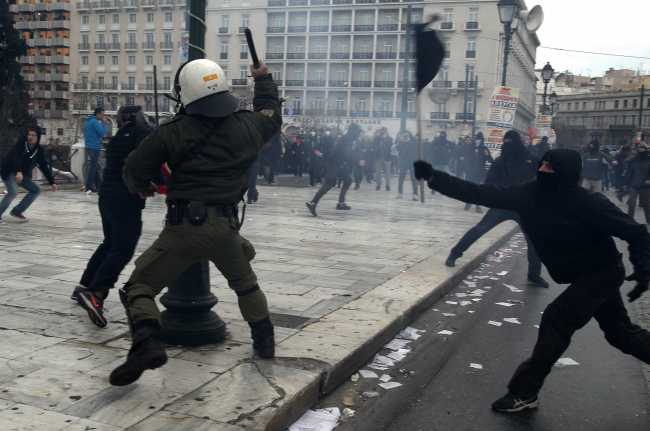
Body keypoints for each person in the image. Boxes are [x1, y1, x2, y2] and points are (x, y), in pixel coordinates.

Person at [414, 147, 650, 413]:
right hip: (583, 273)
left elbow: (637, 232)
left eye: (550, 167)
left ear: (567, 173)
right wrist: (434, 177)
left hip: (602, 272)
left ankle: (523, 393)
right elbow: (478, 193)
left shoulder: (589, 203)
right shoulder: (527, 195)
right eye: (542, 165)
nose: (542, 170)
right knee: (620, 334)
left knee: (556, 321)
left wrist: (643, 270)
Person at [108, 60, 281, 387]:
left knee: (138, 288)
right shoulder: (248, 125)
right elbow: (271, 114)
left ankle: (147, 343)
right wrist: (264, 79)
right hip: (226, 228)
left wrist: (142, 187)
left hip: (184, 230)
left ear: (185, 92)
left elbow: (134, 168)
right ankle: (265, 340)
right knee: (245, 284)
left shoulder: (172, 131)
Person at [71, 106, 152, 327]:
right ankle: (96, 292)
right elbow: (144, 163)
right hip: (125, 200)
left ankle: (84, 286)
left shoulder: (118, 138)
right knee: (123, 248)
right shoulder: (139, 135)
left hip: (107, 197)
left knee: (110, 244)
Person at [444, 131, 547, 288]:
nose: (508, 146)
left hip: (523, 206)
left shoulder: (531, 159)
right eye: (506, 142)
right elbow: (489, 182)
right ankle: (454, 254)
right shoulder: (500, 161)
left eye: (510, 142)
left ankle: (534, 275)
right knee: (479, 229)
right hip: (502, 203)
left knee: (533, 241)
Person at [0, 126, 58, 223]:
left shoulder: (39, 150)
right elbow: (16, 158)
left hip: (22, 174)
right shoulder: (21, 144)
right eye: (29, 135)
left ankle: (17, 211)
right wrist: (18, 171)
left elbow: (43, 166)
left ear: (38, 137)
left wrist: (52, 182)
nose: (30, 137)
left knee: (36, 190)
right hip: (8, 171)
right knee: (13, 192)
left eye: (33, 135)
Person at [305, 123, 362, 216]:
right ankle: (313, 203)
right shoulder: (346, 139)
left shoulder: (349, 139)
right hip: (334, 163)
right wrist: (356, 160)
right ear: (354, 131)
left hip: (339, 164)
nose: (359, 134)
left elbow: (347, 154)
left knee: (348, 180)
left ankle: (341, 203)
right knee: (330, 183)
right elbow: (345, 154)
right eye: (358, 132)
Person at [622, 143, 650, 223]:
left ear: (646, 149)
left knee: (647, 205)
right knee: (631, 204)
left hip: (645, 186)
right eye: (639, 148)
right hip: (633, 185)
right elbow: (629, 172)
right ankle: (630, 221)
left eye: (642, 148)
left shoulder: (649, 160)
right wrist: (625, 183)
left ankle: (648, 221)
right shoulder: (633, 160)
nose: (641, 149)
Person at [83, 107, 108, 193]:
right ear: (98, 114)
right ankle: (89, 186)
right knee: (93, 167)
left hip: (88, 146)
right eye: (102, 114)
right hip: (94, 147)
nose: (103, 116)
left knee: (95, 166)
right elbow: (102, 133)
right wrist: (104, 124)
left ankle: (98, 186)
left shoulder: (88, 121)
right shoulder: (95, 122)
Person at [396, 131, 418, 201]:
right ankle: (400, 193)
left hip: (412, 162)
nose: (405, 137)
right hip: (404, 162)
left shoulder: (413, 143)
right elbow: (398, 150)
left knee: (413, 178)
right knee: (401, 178)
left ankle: (415, 194)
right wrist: (401, 141)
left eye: (407, 136)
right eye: (404, 136)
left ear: (409, 136)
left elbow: (415, 150)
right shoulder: (401, 143)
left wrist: (407, 141)